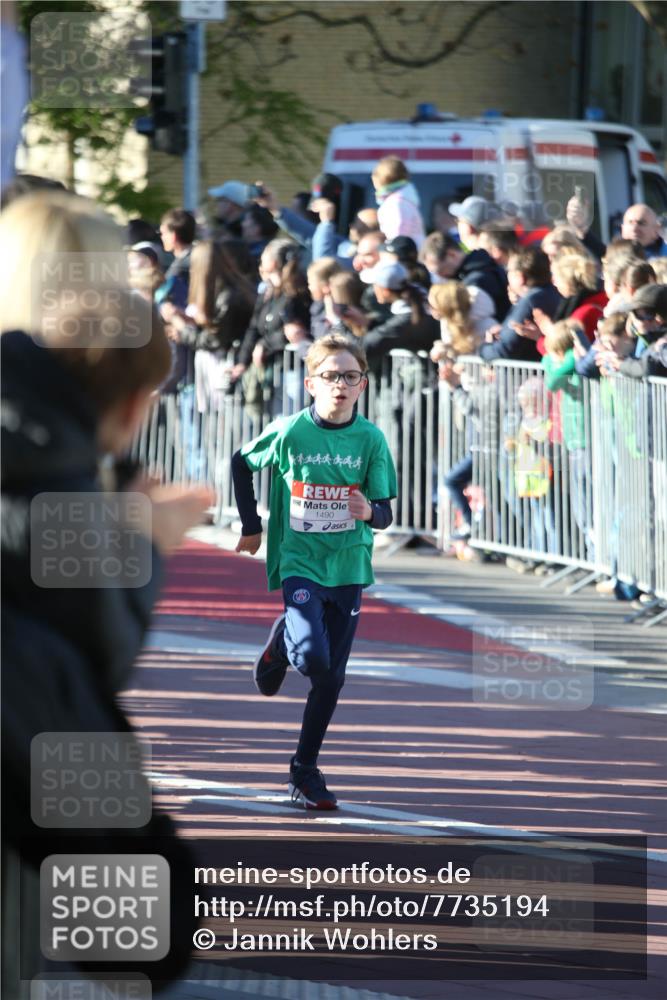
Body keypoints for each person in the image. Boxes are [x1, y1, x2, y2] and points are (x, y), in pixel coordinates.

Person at [231, 333, 397, 809]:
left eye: (350, 377)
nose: (340, 385)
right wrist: (251, 525)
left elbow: (384, 511)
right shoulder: (290, 432)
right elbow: (241, 463)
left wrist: (370, 513)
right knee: (314, 660)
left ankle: (304, 772)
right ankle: (285, 641)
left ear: (362, 385)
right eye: (330, 376)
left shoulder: (370, 439)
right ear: (311, 383)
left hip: (347, 564)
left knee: (331, 679)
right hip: (300, 561)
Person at [167, 240, 256, 412]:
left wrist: (181, 326)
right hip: (219, 367)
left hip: (226, 368)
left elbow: (214, 339)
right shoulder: (228, 291)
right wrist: (187, 320)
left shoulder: (228, 296)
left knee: (226, 426)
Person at [479, 247, 561, 362]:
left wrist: (484, 349)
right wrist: (504, 332)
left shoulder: (530, 301)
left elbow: (505, 349)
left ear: (520, 277)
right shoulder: (554, 293)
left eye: (509, 272)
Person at [420, 231, 510, 321]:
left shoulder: (475, 281)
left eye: (440, 270)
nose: (440, 276)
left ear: (452, 255)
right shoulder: (485, 262)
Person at [371, 156, 425, 248]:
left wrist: (390, 253)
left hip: (403, 257)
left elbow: (398, 239)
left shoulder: (396, 203)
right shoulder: (403, 200)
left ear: (380, 179)